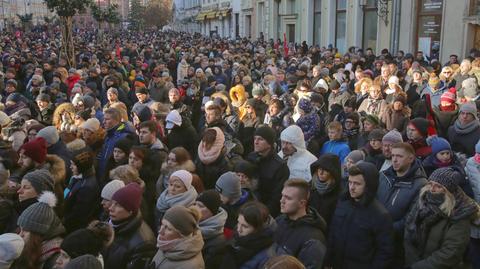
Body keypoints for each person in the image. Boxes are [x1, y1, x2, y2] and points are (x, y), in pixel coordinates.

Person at [404, 167, 479, 269]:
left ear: (449, 190)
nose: (432, 189)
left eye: (438, 186)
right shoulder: (423, 200)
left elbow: (451, 252)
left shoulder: (460, 213)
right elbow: (409, 229)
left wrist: (419, 266)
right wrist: (412, 261)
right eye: (430, 183)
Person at [325, 162, 394, 269]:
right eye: (350, 182)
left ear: (369, 185)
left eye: (357, 184)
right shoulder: (342, 203)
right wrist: (327, 262)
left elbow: (384, 253)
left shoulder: (380, 215)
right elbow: (333, 234)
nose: (351, 188)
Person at [377, 142, 428, 265]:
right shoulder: (383, 176)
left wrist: (387, 229)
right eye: (393, 155)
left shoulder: (421, 184)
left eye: (399, 156)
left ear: (411, 158)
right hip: (376, 236)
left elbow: (411, 217)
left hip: (398, 243)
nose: (394, 160)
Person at [274, 179, 327, 269]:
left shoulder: (313, 239)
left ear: (302, 203)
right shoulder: (280, 220)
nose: (281, 201)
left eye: (288, 198)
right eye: (282, 196)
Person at [102, 183, 156, 269]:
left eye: (118, 205)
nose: (111, 208)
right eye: (112, 203)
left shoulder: (144, 243)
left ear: (130, 210)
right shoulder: (109, 221)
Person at [247, 126, 290, 217]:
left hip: (265, 213)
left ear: (270, 143)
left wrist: (264, 215)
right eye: (255, 138)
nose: (256, 142)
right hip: (248, 207)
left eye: (260, 139)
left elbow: (276, 197)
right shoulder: (251, 158)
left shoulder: (280, 166)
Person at [15, 191, 65, 269]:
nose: (20, 234)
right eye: (20, 229)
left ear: (39, 233)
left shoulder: (54, 259)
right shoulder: (31, 245)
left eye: (26, 231)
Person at [220, 201, 275, 269]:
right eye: (238, 222)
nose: (239, 229)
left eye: (245, 226)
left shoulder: (266, 256)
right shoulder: (237, 236)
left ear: (258, 229)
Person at [63, 148, 100, 233]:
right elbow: (67, 193)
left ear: (82, 166)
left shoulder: (87, 187)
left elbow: (78, 214)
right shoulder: (76, 177)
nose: (70, 167)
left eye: (73, 165)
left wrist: (63, 221)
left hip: (73, 227)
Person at [193, 190, 227, 269]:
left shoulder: (218, 243)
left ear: (212, 211)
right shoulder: (190, 223)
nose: (195, 208)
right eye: (195, 204)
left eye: (200, 206)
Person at [308, 154, 342, 226]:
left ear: (333, 173)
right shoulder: (310, 187)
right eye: (320, 169)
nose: (321, 173)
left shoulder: (339, 193)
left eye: (326, 170)